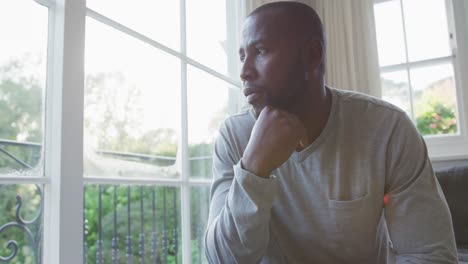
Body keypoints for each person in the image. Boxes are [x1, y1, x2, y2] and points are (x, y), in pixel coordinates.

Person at [204, 2, 458, 263]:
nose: (244, 72)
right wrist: (253, 170)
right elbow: (221, 259)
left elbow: (430, 254)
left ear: (313, 55)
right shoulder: (234, 136)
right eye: (243, 56)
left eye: (260, 51)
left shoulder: (388, 129)